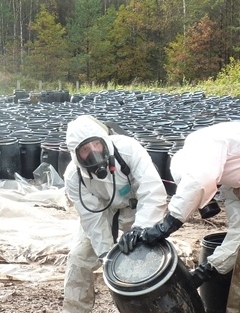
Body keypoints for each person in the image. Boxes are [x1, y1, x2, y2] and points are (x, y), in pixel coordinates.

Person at [117, 121, 240, 310]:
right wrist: (208, 269)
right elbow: (238, 234)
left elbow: (198, 182)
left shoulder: (204, 143)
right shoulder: (232, 179)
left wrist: (165, 226)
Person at [61, 115, 168, 313]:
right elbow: (91, 219)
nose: (93, 153)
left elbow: (152, 191)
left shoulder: (128, 149)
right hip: (103, 211)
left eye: (96, 144)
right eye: (85, 150)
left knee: (149, 258)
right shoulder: (74, 177)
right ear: (76, 155)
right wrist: (106, 256)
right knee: (78, 259)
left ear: (105, 141)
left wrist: (140, 229)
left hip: (137, 208)